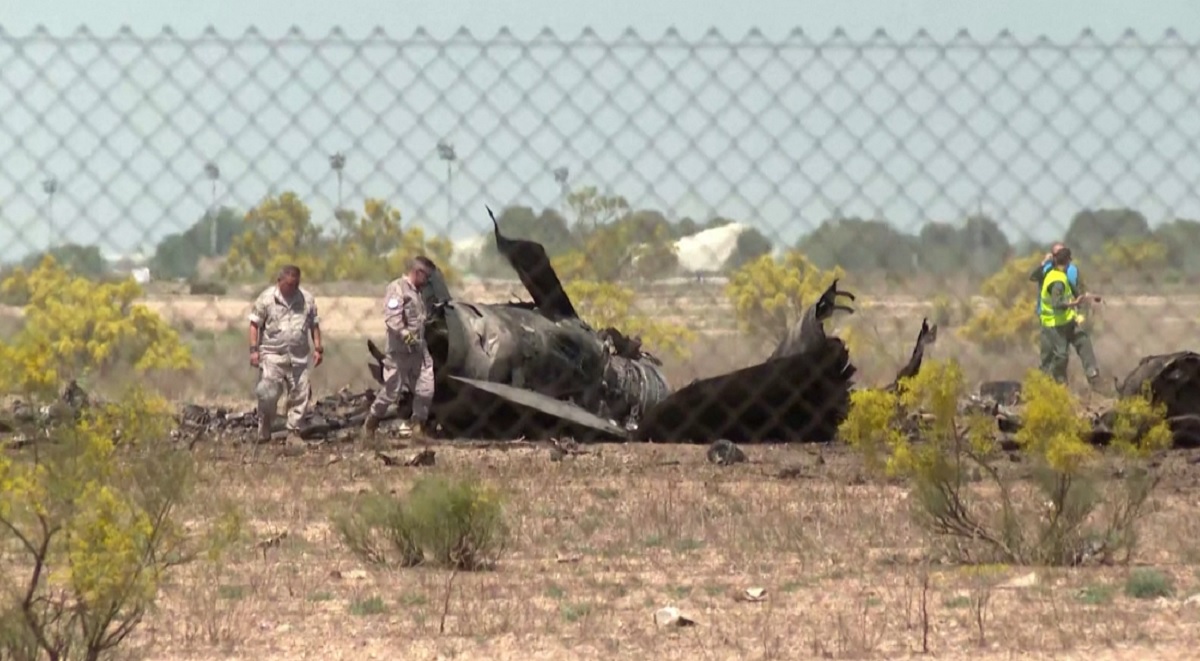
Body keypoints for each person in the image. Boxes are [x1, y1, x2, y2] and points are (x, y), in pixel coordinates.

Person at [363, 256, 437, 444]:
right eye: (426, 276)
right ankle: (371, 424)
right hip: (400, 351)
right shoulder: (397, 288)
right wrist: (405, 334)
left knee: (426, 389)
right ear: (418, 272)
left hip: (419, 350)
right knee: (391, 391)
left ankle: (418, 426)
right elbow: (392, 318)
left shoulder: (418, 293)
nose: (428, 281)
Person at [248, 264, 323, 443]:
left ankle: (293, 431)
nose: (292, 288)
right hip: (272, 355)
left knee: (300, 394)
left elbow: (314, 325)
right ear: (279, 281)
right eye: (288, 284)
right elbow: (254, 325)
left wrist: (319, 348)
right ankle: (264, 430)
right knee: (268, 394)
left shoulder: (307, 300)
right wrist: (253, 351)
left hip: (298, 356)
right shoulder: (266, 299)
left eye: (295, 284)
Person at [1038, 247, 1102, 388]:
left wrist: (1090, 298)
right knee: (1057, 357)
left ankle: (1093, 376)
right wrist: (1074, 303)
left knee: (1083, 340)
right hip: (1052, 326)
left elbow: (1078, 292)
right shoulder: (1054, 278)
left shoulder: (1066, 275)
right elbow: (1057, 303)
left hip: (1067, 322)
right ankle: (1052, 386)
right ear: (1067, 260)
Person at [1030, 242, 1082, 316]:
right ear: (1053, 256)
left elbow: (1078, 290)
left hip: (1068, 315)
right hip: (1048, 316)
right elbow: (1033, 277)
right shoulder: (1046, 268)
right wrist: (1044, 262)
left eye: (1062, 252)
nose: (1061, 256)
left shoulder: (1073, 270)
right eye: (1058, 253)